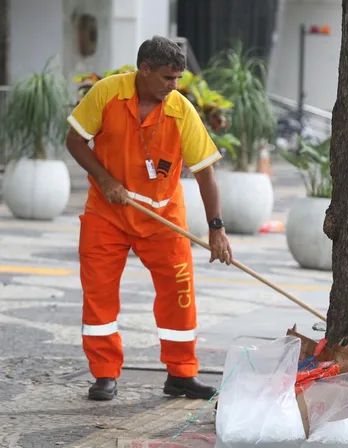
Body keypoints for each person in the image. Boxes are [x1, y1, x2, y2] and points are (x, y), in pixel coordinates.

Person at [65, 36, 234, 401]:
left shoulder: (180, 110)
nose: (174, 87)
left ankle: (181, 374)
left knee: (179, 295)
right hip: (106, 214)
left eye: (178, 79)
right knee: (99, 296)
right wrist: (106, 179)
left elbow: (205, 173)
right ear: (145, 70)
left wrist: (216, 228)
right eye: (168, 78)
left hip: (162, 217)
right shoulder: (107, 93)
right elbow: (75, 141)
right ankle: (104, 374)